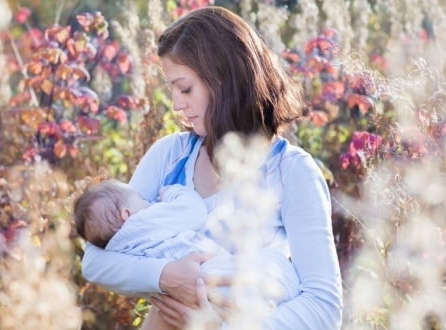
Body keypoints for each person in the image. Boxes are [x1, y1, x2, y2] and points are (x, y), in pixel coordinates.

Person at [80, 5, 343, 329]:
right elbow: (95, 259)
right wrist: (168, 276)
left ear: (223, 78)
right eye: (172, 90)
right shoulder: (170, 155)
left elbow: (324, 306)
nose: (177, 103)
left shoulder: (291, 171)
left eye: (185, 88)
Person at [73, 179, 302, 329]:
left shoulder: (115, 247)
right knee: (274, 265)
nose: (149, 201)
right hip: (210, 271)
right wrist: (172, 192)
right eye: (142, 200)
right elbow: (193, 210)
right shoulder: (146, 219)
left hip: (183, 304)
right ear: (127, 213)